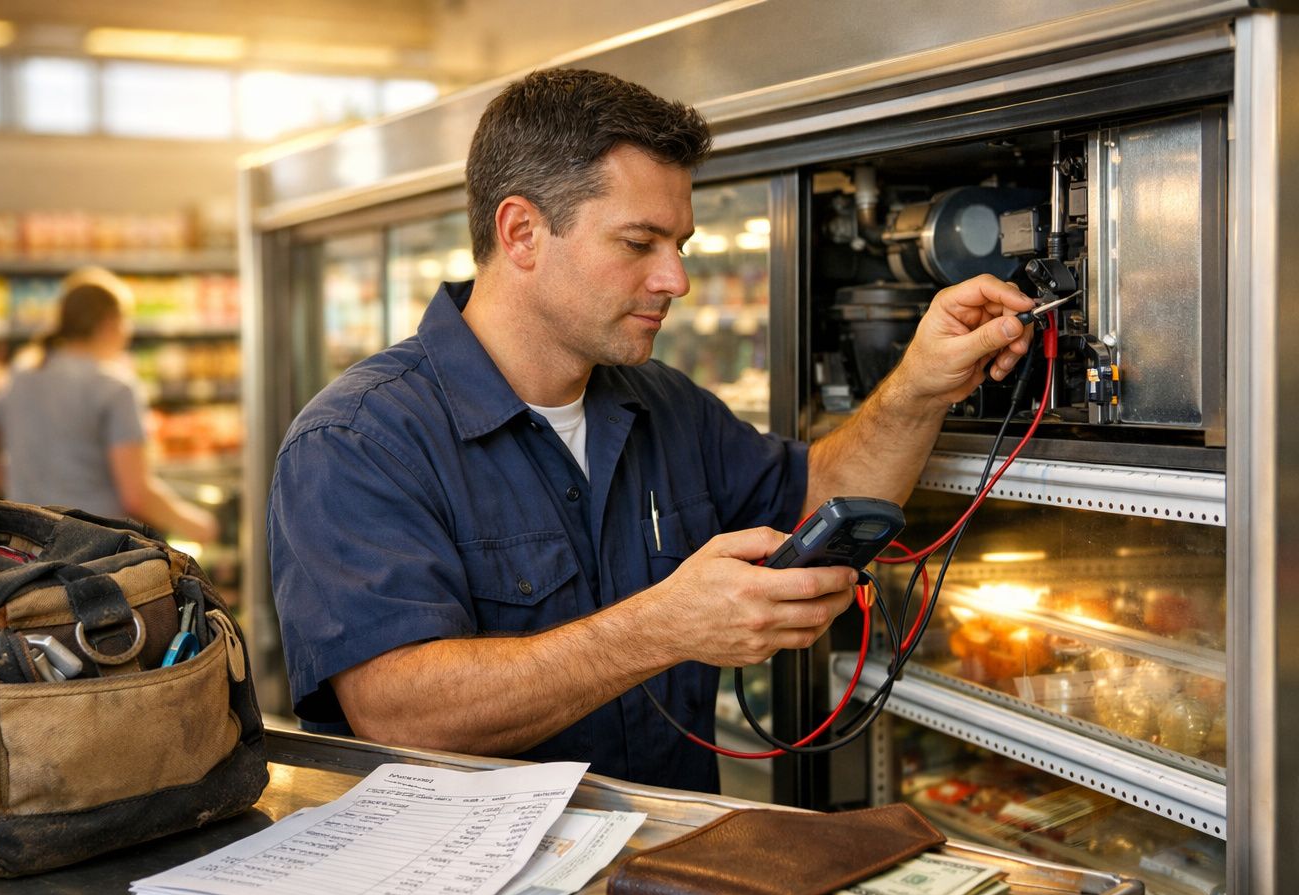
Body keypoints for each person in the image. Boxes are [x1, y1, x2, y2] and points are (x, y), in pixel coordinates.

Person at [266, 69, 1038, 791]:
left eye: (681, 246)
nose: (676, 280)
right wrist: (661, 627)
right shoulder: (358, 441)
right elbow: (399, 713)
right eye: (639, 244)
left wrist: (921, 383)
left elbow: (825, 495)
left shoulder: (662, 404)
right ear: (522, 233)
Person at [0, 267, 216, 544]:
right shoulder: (115, 388)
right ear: (109, 323)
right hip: (95, 553)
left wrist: (20, 488)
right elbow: (136, 495)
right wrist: (200, 526)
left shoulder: (20, 376)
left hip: (28, 549)